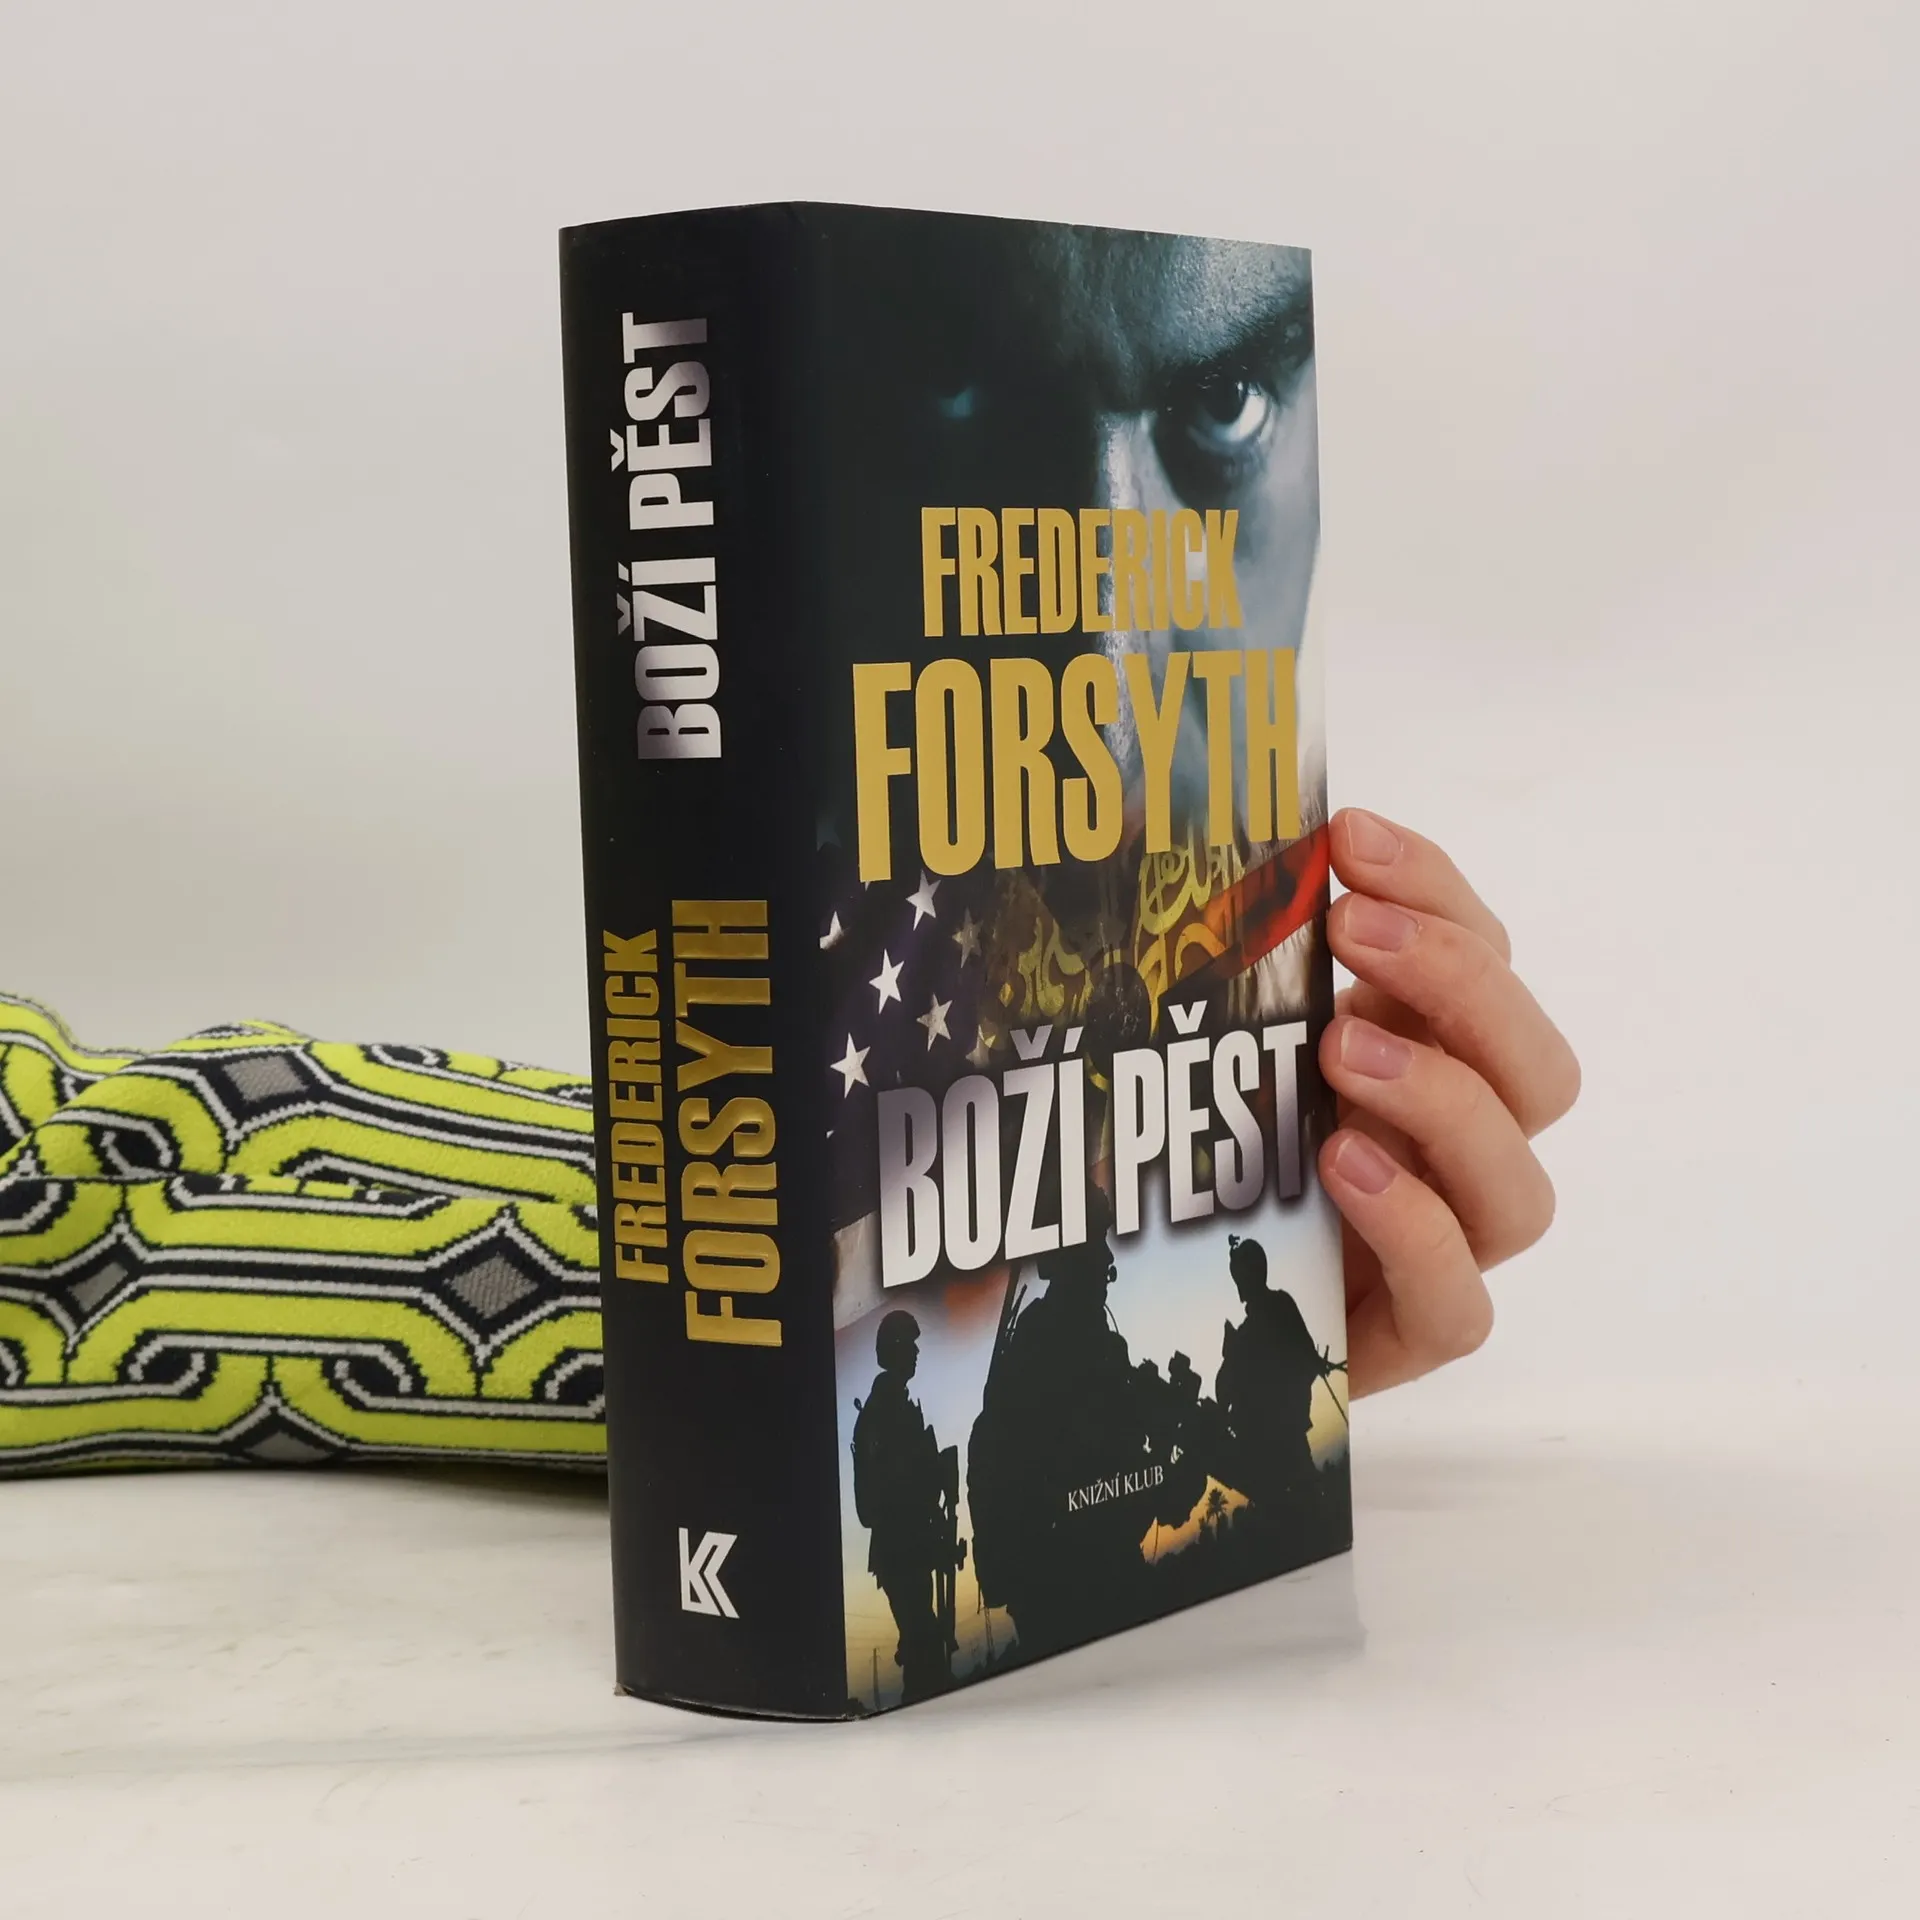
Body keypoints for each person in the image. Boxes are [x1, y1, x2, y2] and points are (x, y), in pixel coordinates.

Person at [850, 1310, 959, 1702]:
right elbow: (878, 1502)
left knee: (927, 1646)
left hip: (915, 1547)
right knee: (923, 1648)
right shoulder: (882, 1414)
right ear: (894, 1350)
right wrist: (929, 1476)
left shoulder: (898, 1406)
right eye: (909, 1345)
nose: (916, 1352)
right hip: (901, 1552)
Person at [1215, 1233, 1331, 1517]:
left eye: (1241, 1277)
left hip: (1278, 1441)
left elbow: (1225, 1393)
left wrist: (1233, 1354)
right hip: (1278, 1439)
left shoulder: (1258, 1324)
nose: (1240, 1285)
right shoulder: (1274, 1309)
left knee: (1296, 1507)